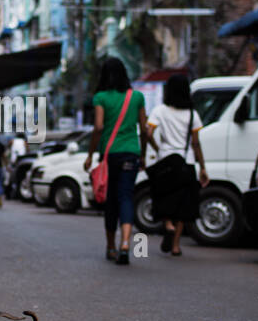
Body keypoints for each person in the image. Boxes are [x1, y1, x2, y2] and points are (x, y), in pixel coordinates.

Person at [84, 56, 148, 264]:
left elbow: (99, 127)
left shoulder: (100, 97)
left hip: (109, 154)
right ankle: (126, 244)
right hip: (131, 152)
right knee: (126, 197)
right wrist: (143, 154)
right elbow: (144, 129)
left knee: (110, 200)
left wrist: (90, 155)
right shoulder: (136, 97)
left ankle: (111, 247)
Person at [146, 74, 209, 255]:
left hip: (166, 160)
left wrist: (157, 148)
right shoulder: (192, 114)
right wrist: (202, 167)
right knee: (183, 204)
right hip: (186, 162)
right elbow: (196, 143)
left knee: (164, 197)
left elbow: (148, 133)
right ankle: (175, 246)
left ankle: (167, 224)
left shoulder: (160, 111)